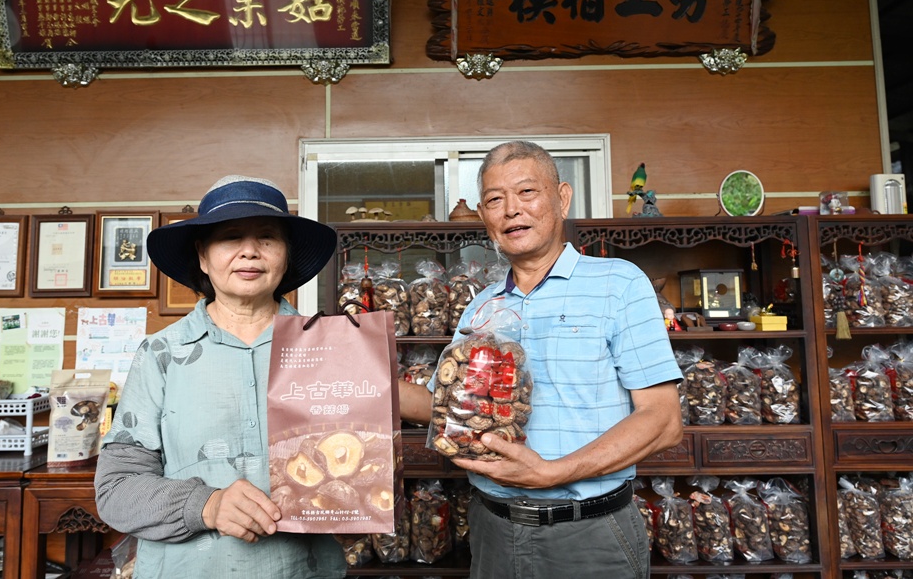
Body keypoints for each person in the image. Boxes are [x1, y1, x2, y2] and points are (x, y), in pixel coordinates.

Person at [399, 141, 683, 579]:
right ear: (484, 217)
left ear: (562, 198)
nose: (511, 210)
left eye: (527, 192)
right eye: (495, 200)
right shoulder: (482, 307)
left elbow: (663, 421)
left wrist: (552, 473)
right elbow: (441, 406)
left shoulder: (619, 284)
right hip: (493, 528)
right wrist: (358, 378)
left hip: (589, 533)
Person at [94, 175, 345, 578]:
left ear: (286, 254)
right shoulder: (161, 354)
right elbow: (116, 491)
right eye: (230, 237)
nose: (250, 251)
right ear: (202, 256)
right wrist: (206, 505)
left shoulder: (327, 348)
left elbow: (360, 459)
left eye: (267, 237)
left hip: (302, 569)